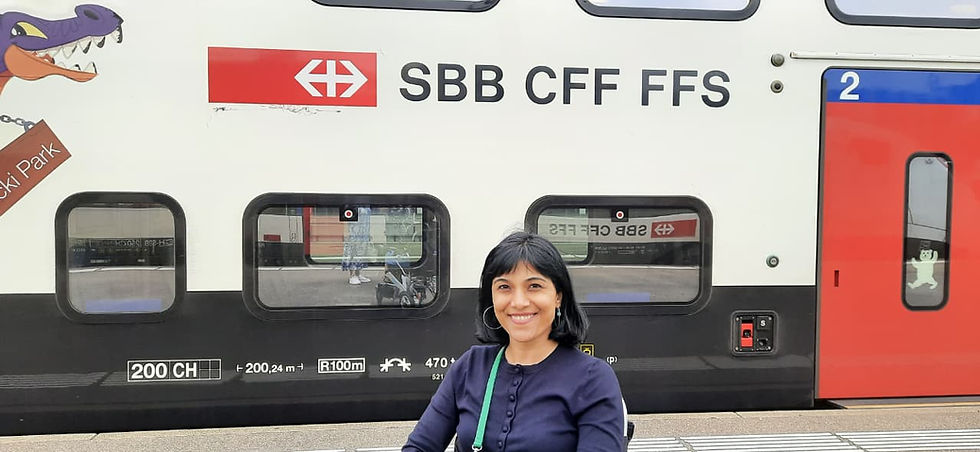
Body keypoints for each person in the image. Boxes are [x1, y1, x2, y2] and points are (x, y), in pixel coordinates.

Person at [403, 232, 625, 451]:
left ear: (558, 296)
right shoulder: (469, 367)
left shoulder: (592, 378)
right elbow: (420, 446)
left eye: (534, 286)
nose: (518, 302)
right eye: (504, 287)